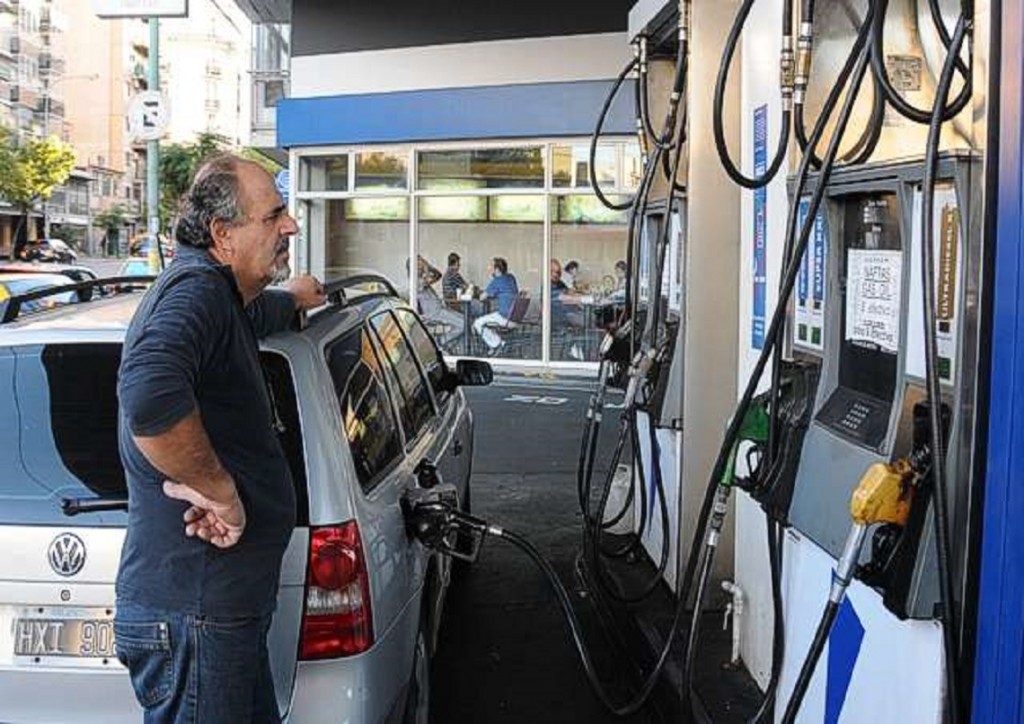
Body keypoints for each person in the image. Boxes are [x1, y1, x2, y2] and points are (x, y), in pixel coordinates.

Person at [115, 154, 326, 724]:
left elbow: (248, 318)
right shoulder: (196, 294)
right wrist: (219, 491)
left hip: (217, 611)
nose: (291, 226)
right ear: (223, 234)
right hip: (197, 613)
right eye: (274, 216)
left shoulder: (219, 295)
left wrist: (294, 300)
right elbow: (151, 396)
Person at [415, 254, 464, 347]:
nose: (421, 265)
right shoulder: (416, 282)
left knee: (464, 319)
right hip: (434, 313)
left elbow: (438, 274)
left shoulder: (421, 279)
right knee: (463, 324)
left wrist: (426, 264)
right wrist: (426, 266)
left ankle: (448, 345)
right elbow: (437, 276)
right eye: (419, 263)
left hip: (440, 309)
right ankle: (440, 342)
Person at [472, 256, 519, 353]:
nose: (489, 268)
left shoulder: (497, 281)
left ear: (497, 269)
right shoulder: (511, 278)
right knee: (489, 321)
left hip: (505, 318)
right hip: (515, 318)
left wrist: (474, 292)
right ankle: (496, 344)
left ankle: (498, 344)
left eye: (491, 266)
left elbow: (482, 297)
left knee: (477, 323)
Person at [550, 258, 586, 360]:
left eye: (558, 272)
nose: (556, 274)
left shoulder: (559, 282)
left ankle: (573, 346)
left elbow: (569, 292)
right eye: (553, 272)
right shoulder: (549, 284)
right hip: (557, 317)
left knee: (583, 319)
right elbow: (561, 296)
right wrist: (579, 298)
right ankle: (575, 347)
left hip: (566, 313)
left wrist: (579, 295)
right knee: (584, 321)